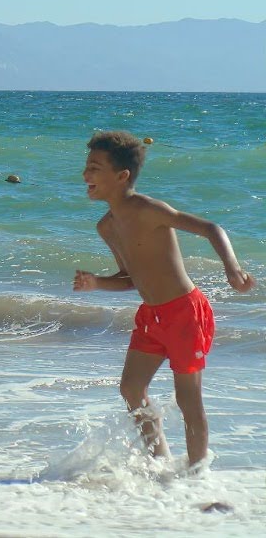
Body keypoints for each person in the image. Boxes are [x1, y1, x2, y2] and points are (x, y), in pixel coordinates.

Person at [72, 130, 253, 469]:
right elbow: (129, 279)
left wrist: (233, 270)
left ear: (122, 176)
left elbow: (212, 228)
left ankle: (197, 474)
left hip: (185, 312)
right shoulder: (106, 227)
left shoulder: (150, 210)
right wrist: (97, 282)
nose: (85, 175)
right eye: (86, 167)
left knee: (188, 397)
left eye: (94, 168)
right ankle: (160, 461)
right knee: (130, 388)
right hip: (152, 316)